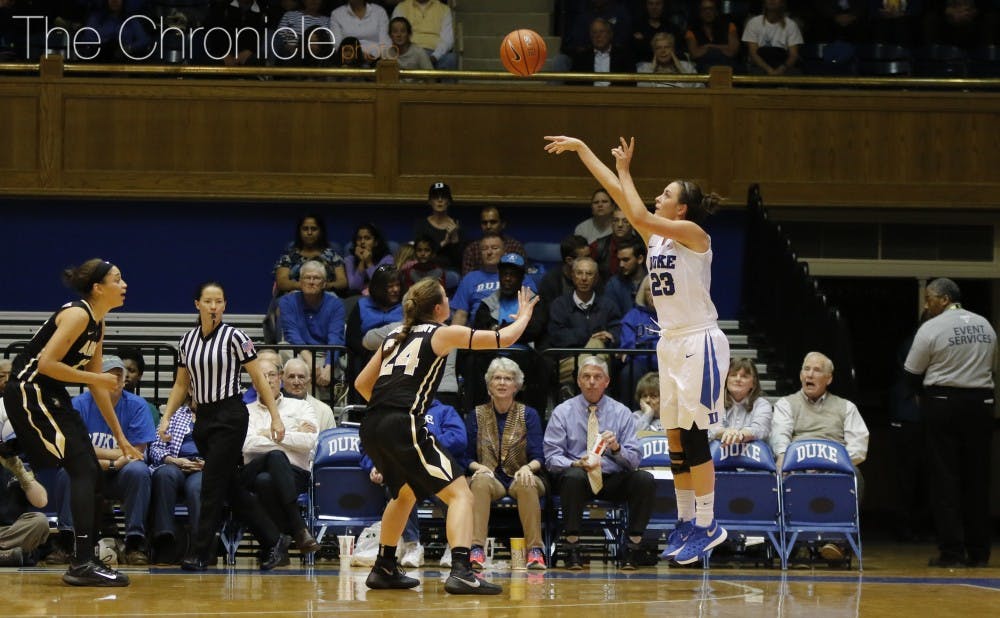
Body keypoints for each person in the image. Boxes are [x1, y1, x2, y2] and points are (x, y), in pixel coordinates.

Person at [543, 133, 730, 565]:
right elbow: (620, 198)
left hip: (698, 338)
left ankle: (708, 522)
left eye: (667, 193)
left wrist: (627, 170)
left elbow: (637, 211)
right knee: (677, 438)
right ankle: (686, 522)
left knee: (696, 437)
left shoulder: (692, 233)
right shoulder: (657, 240)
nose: (658, 196)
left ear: (680, 207)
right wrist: (584, 151)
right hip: (670, 341)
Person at [354, 278, 539, 594]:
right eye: (447, 300)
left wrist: (389, 405)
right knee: (461, 494)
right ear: (438, 308)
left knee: (405, 494)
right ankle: (462, 571)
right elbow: (504, 338)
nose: (451, 305)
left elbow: (361, 384)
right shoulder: (441, 332)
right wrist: (524, 315)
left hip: (372, 424)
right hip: (403, 423)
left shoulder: (394, 335)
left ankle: (384, 566)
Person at [1, 258, 140, 586]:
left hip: (51, 393)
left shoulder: (98, 321)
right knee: (82, 469)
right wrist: (99, 379)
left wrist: (120, 436)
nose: (124, 285)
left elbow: (95, 381)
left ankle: (84, 559)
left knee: (90, 472)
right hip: (29, 389)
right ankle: (81, 562)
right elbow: (46, 364)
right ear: (98, 287)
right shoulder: (77, 314)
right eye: (118, 279)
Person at [159, 281, 291, 572]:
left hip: (230, 415)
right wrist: (167, 416)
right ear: (197, 304)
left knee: (211, 486)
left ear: (224, 305)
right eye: (208, 301)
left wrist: (275, 415)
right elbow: (181, 384)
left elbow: (258, 378)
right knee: (229, 487)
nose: (214, 306)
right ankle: (276, 539)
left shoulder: (236, 337)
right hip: (203, 418)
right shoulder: (186, 342)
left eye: (219, 301)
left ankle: (200, 552)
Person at [903, 278, 996, 568]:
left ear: (944, 299)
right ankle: (980, 551)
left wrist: (922, 398)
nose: (926, 304)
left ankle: (952, 551)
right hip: (982, 404)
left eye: (929, 298)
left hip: (943, 404)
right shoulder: (986, 326)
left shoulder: (931, 327)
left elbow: (911, 373)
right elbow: (992, 367)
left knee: (945, 479)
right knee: (978, 478)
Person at [543, 356, 654, 570]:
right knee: (572, 478)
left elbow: (634, 459)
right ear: (578, 381)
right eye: (586, 377)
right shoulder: (562, 412)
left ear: (607, 382)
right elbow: (551, 457)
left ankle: (633, 547)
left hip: (612, 477)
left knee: (644, 479)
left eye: (597, 377)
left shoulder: (621, 412)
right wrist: (575, 464)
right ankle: (573, 548)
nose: (592, 381)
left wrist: (616, 448)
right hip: (579, 477)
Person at [55, 355, 156, 566]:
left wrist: (106, 457)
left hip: (122, 473)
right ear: (96, 379)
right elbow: (75, 450)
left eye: (120, 376)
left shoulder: (138, 406)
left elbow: (136, 452)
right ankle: (65, 541)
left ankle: (134, 543)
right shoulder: (78, 404)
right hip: (89, 472)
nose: (116, 381)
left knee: (139, 471)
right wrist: (113, 459)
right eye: (110, 376)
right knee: (67, 472)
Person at [769, 351, 869, 564]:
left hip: (835, 470)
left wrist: (832, 465)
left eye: (817, 370)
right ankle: (795, 544)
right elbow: (780, 437)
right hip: (798, 469)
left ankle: (837, 543)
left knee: (856, 477)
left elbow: (859, 448)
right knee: (780, 477)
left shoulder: (846, 407)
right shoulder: (786, 404)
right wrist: (786, 460)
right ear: (800, 375)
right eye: (806, 369)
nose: (810, 375)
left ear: (829, 379)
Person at [360, 398, 466, 568]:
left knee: (453, 495)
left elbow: (459, 439)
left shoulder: (444, 411)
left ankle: (453, 547)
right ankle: (412, 546)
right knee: (395, 490)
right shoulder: (394, 410)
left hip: (436, 471)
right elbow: (368, 445)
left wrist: (421, 444)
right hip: (405, 473)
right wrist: (375, 464)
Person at [464, 357, 548, 570]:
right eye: (497, 378)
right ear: (489, 384)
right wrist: (478, 467)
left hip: (521, 475)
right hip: (490, 478)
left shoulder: (529, 414)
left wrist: (529, 468)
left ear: (516, 385)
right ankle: (476, 549)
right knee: (480, 482)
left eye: (508, 379)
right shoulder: (476, 414)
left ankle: (535, 551)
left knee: (527, 482)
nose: (502, 383)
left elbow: (540, 455)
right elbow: (464, 456)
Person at [242, 358, 320, 556]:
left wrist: (267, 434)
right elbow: (247, 444)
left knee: (266, 480)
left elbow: (309, 442)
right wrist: (290, 435)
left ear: (280, 379)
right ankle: (299, 529)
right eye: (262, 376)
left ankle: (277, 546)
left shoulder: (301, 407)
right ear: (254, 382)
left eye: (272, 375)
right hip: (254, 468)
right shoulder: (246, 411)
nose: (268, 380)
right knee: (275, 456)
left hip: (294, 473)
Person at [546, 256, 621, 391]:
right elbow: (556, 336)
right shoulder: (559, 305)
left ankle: (575, 389)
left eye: (589, 274)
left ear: (596, 278)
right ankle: (587, 391)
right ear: (572, 276)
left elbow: (618, 332)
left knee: (597, 346)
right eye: (579, 273)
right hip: (567, 362)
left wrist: (610, 337)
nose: (584, 278)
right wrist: (590, 336)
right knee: (595, 344)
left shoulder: (608, 306)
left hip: (601, 362)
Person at [147, 399, 201, 565]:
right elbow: (154, 448)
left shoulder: (218, 418)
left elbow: (226, 450)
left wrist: (209, 463)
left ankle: (199, 546)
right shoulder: (174, 415)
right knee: (164, 475)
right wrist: (172, 460)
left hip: (203, 467)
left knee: (196, 488)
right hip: (174, 463)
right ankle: (164, 540)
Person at [277, 260, 346, 387]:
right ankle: (310, 403)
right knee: (284, 348)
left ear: (324, 283)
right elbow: (292, 334)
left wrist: (328, 367)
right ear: (300, 282)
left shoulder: (336, 304)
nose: (311, 282)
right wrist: (311, 364)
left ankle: (310, 403)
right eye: (307, 278)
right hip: (299, 353)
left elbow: (335, 338)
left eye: (316, 278)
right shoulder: (286, 302)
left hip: (325, 354)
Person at [273, 215, 348, 295]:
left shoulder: (332, 255)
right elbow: (281, 282)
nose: (309, 232)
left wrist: (325, 285)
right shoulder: (289, 256)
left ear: (320, 232)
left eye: (314, 229)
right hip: (295, 297)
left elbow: (342, 282)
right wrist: (305, 286)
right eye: (305, 229)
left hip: (325, 296)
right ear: (299, 231)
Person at [708, 358, 773, 445]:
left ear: (753, 383)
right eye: (733, 375)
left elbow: (761, 429)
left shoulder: (762, 404)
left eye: (744, 376)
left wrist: (740, 435)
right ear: (726, 380)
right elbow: (712, 429)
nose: (738, 379)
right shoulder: (714, 403)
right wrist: (727, 432)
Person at [0, 462, 50, 566]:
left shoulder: (18, 466)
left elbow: (41, 502)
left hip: (15, 532)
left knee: (40, 521)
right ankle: (9, 555)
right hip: (10, 538)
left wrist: (21, 473)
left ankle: (6, 555)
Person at [450, 232, 505, 326]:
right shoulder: (470, 279)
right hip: (478, 331)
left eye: (495, 248)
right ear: (480, 253)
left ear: (504, 252)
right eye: (484, 249)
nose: (489, 252)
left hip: (510, 329)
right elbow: (461, 314)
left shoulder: (518, 277)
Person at [743, 0, 804, 76]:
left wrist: (780, 70)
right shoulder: (753, 23)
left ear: (782, 2)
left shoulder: (791, 25)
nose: (772, 0)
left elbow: (793, 55)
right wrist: (769, 70)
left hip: (783, 67)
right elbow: (753, 53)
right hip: (759, 67)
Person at [391, 0, 457, 69]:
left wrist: (434, 56)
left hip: (434, 53)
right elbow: (395, 34)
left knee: (450, 59)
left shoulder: (444, 9)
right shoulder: (401, 7)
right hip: (410, 51)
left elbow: (447, 40)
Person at [461, 206, 526, 276]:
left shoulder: (515, 247)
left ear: (503, 224)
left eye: (493, 222)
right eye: (484, 223)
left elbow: (520, 277)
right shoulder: (472, 249)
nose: (488, 226)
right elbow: (467, 279)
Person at [413, 181, 463, 269]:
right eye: (436, 197)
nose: (440, 200)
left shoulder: (456, 225)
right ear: (430, 201)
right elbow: (420, 255)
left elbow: (459, 261)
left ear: (449, 201)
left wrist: (454, 237)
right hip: (426, 270)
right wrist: (444, 243)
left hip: (449, 271)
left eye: (443, 197)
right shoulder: (421, 225)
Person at [282, 357, 337, 432]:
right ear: (283, 380)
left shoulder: (324, 411)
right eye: (291, 377)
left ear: (309, 381)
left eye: (301, 377)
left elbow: (328, 441)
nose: (296, 382)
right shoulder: (272, 407)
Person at [685, 0, 740, 73]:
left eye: (711, 9)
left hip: (728, 67)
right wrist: (724, 47)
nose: (708, 12)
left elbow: (732, 51)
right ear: (699, 12)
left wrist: (708, 46)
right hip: (703, 69)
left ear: (716, 11)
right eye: (704, 9)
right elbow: (695, 54)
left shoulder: (729, 26)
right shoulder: (691, 31)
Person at [538, 234, 591, 304]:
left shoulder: (593, 277)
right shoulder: (550, 282)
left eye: (589, 257)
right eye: (584, 258)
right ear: (569, 260)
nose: (589, 261)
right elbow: (545, 312)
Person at [343, 223, 395, 296]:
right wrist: (362, 262)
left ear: (376, 242)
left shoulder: (387, 260)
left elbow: (381, 284)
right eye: (359, 238)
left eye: (367, 238)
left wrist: (369, 262)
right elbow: (354, 287)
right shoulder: (349, 260)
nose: (362, 242)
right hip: (357, 298)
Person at [590, 208, 640, 279]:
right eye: (616, 220)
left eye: (625, 221)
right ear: (611, 223)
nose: (620, 225)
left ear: (632, 224)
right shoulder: (597, 246)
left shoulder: (642, 246)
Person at [116, 346, 160, 425]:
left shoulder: (149, 410)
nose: (125, 375)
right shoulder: (100, 406)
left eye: (131, 370)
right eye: (121, 370)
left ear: (140, 375)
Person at [603, 239, 648, 315]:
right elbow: (611, 318)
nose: (621, 265)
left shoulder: (652, 282)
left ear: (640, 259)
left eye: (626, 260)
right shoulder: (613, 285)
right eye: (619, 260)